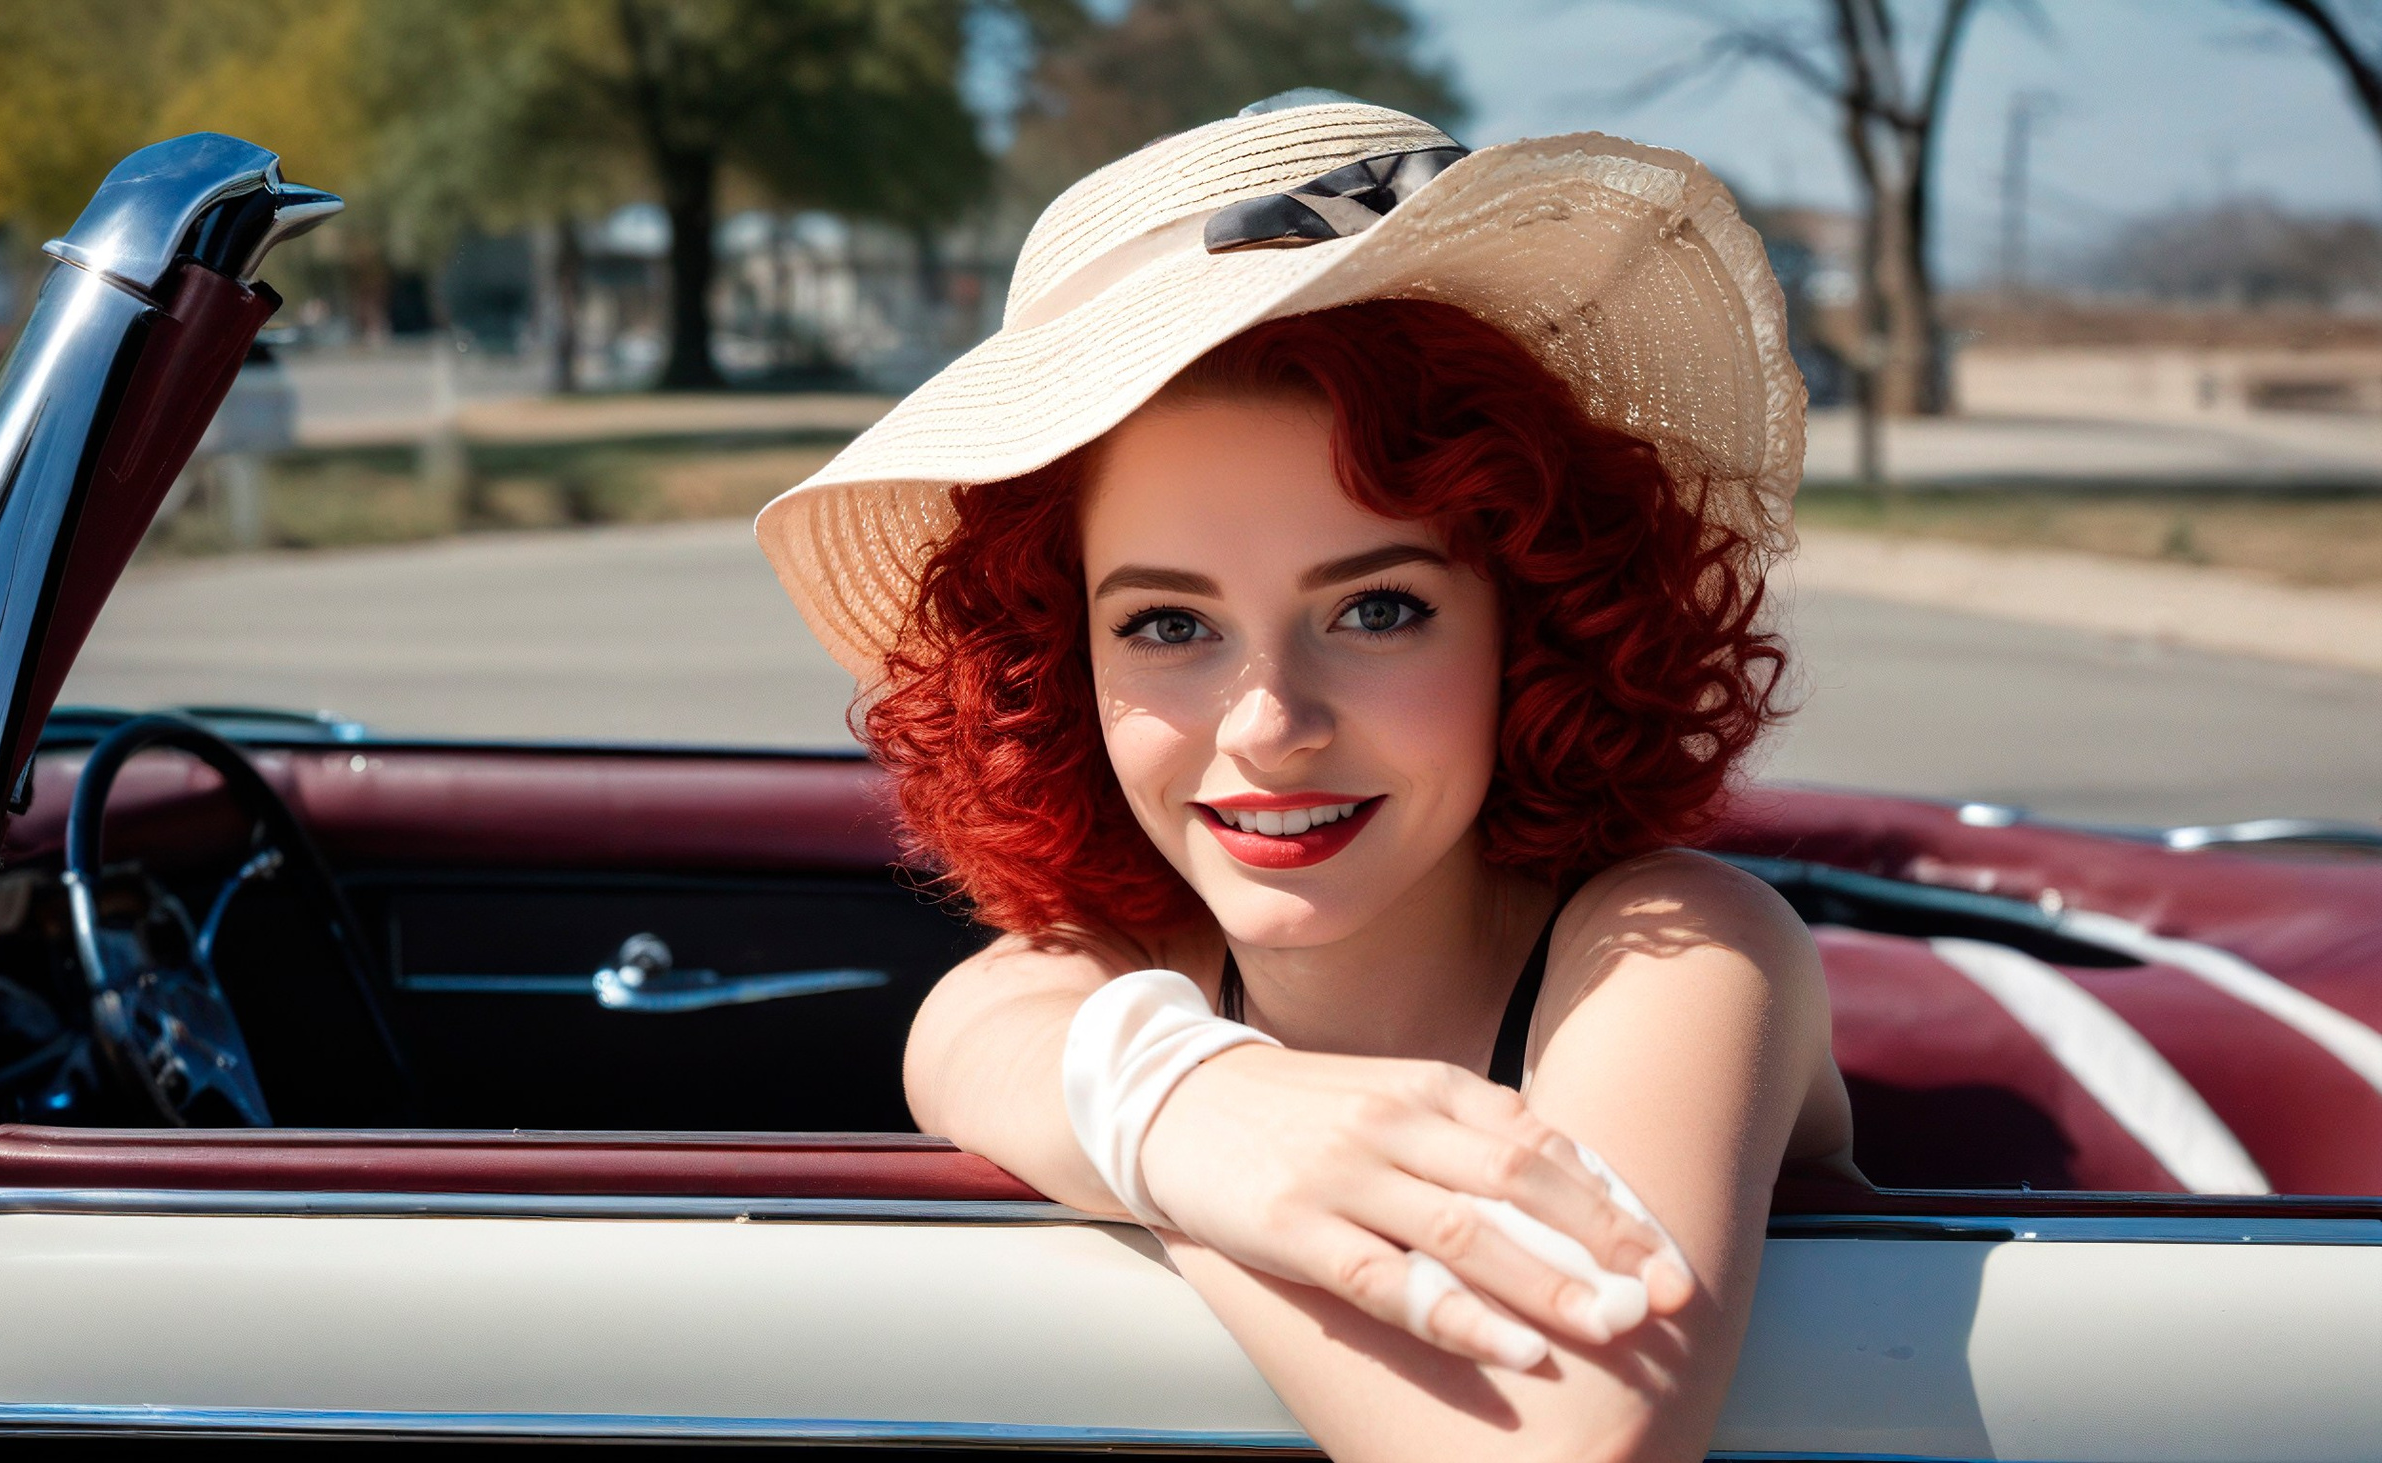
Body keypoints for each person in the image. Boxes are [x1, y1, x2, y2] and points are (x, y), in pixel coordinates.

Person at [758, 94, 1858, 1463]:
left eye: (1378, 609)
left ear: (1536, 626)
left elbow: (1565, 1440)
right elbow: (965, 1029)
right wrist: (1180, 1111)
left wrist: (1174, 1154)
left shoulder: (1683, 948)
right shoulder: (1119, 969)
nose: (1272, 725)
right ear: (1058, 664)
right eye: (1169, 624)